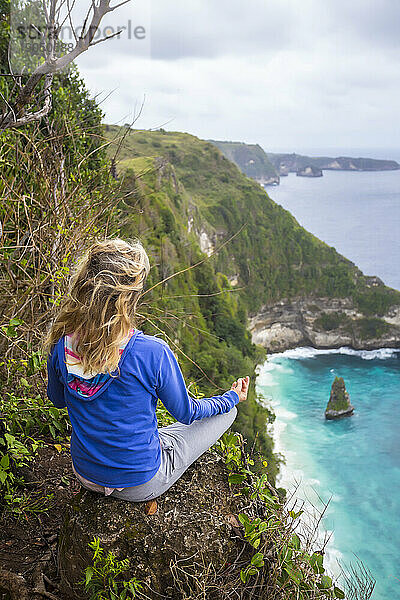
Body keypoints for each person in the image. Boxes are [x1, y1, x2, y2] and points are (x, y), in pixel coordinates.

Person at [44, 237, 250, 504]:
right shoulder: (152, 351)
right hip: (140, 483)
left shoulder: (63, 345)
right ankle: (231, 405)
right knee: (225, 415)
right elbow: (188, 413)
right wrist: (232, 397)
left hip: (86, 474)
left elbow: (57, 400)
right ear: (130, 297)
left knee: (160, 433)